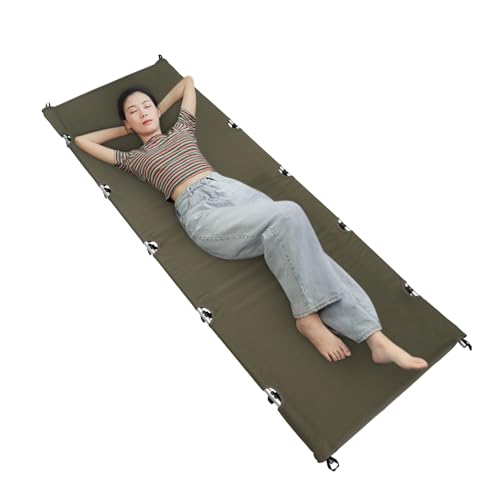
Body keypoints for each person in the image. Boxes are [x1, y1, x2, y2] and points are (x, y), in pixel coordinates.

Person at [74, 76, 428, 371]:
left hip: (234, 194)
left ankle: (375, 338)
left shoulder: (182, 130)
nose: (143, 113)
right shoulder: (134, 158)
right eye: (133, 112)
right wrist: (126, 128)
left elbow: (187, 83)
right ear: (127, 123)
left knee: (308, 249)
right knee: (289, 214)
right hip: (202, 212)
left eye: (147, 106)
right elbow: (82, 141)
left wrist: (155, 109)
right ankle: (307, 317)